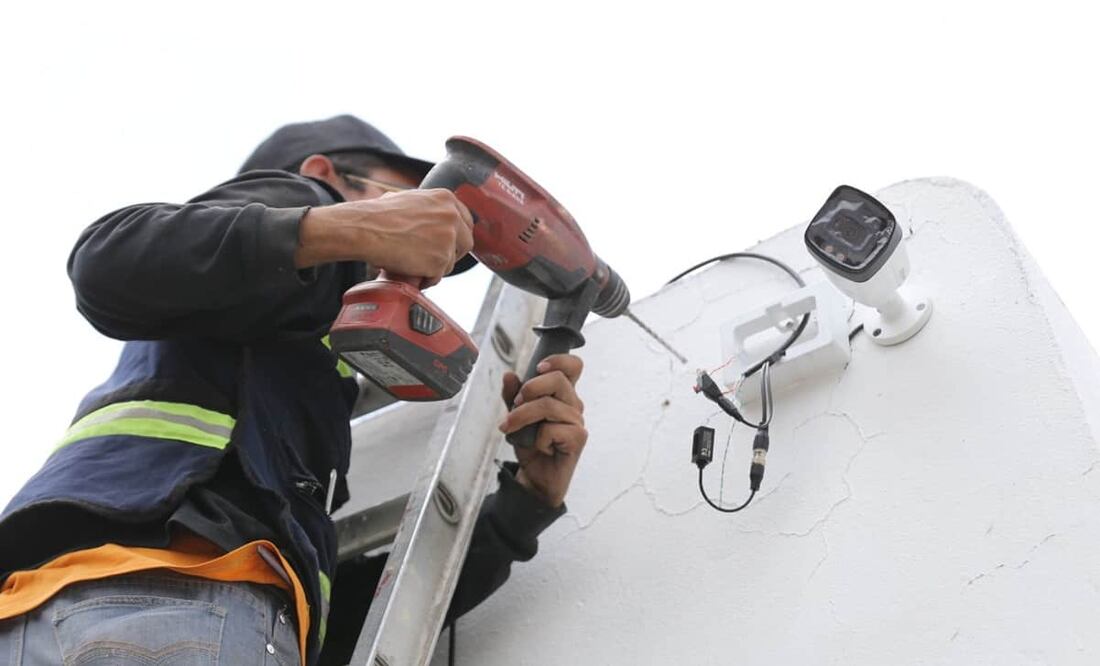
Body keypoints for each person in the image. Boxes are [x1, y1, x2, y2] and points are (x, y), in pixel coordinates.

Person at [0, 115, 590, 665]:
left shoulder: (295, 380)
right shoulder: (297, 212)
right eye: (403, 202)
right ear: (322, 173)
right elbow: (106, 260)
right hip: (167, 594)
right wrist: (343, 224)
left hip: (55, 608)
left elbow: (325, 633)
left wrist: (524, 506)